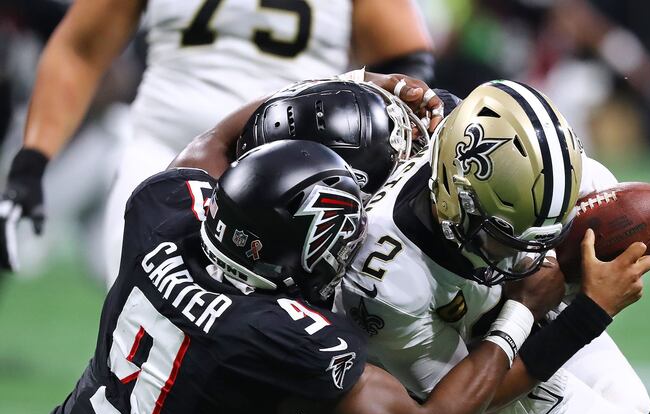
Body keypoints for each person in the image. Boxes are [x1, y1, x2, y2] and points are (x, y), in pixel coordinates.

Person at [38, 138, 549, 414]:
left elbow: (212, 143)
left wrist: (354, 86)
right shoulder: (279, 333)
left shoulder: (161, 212)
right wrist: (520, 312)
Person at [334, 80, 650, 414]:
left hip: (502, 317)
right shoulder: (387, 278)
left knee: (630, 401)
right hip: (448, 386)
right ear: (454, 199)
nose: (527, 258)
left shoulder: (546, 175)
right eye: (505, 236)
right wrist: (584, 313)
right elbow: (461, 408)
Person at [0, 0, 434, 282]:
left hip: (294, 173)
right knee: (144, 316)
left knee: (280, 348)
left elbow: (404, 62)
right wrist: (32, 161)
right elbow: (82, 47)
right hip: (165, 155)